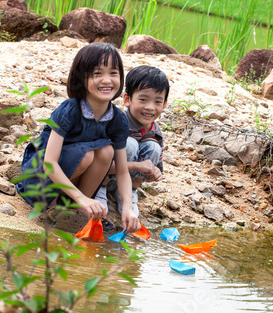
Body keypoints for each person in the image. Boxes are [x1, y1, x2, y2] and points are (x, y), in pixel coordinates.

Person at [16, 42, 140, 234]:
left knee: (106, 151)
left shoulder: (118, 119)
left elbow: (122, 172)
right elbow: (49, 162)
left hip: (74, 187)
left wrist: (128, 209)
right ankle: (53, 205)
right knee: (87, 154)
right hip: (41, 180)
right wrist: (82, 197)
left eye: (113, 73)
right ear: (81, 78)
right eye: (97, 73)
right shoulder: (69, 110)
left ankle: (75, 210)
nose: (107, 80)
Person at [95, 65, 169, 217]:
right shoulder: (116, 123)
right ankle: (101, 189)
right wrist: (138, 165)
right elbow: (98, 162)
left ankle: (129, 194)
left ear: (164, 104)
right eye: (143, 99)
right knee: (129, 144)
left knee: (153, 147)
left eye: (157, 102)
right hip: (103, 175)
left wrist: (154, 173)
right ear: (127, 100)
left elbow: (153, 170)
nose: (150, 107)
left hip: (128, 179)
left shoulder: (155, 132)